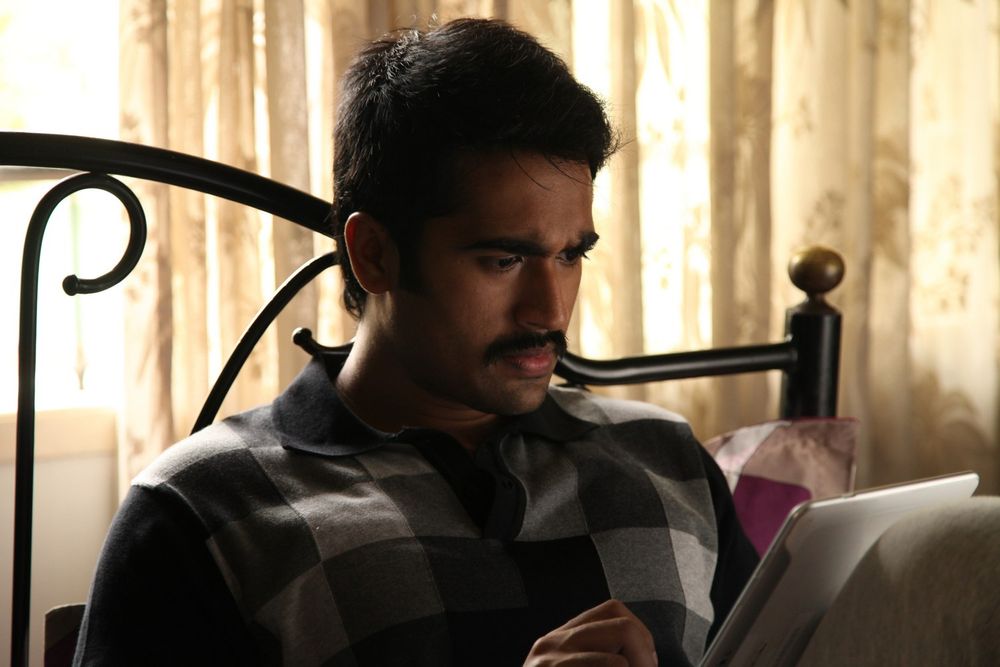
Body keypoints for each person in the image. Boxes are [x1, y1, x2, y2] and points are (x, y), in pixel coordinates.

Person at [73, 18, 758, 666]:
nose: (550, 309)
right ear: (373, 254)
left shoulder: (669, 459)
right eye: (504, 260)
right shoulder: (204, 510)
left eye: (571, 255)